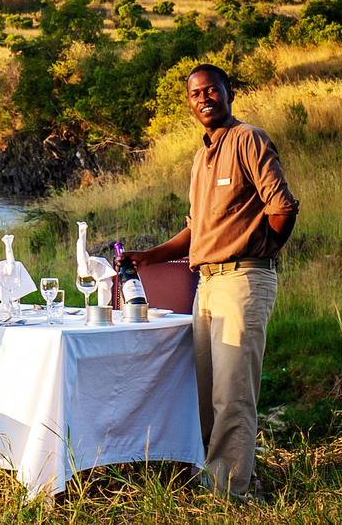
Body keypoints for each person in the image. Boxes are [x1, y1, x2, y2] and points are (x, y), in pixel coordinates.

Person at [119, 63, 299, 500]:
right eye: (195, 93)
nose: (203, 98)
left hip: (243, 281)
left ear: (227, 92)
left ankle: (229, 494)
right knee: (203, 392)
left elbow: (283, 207)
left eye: (210, 90)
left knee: (233, 394)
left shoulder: (248, 140)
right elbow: (197, 229)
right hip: (206, 285)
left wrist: (262, 250)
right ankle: (212, 478)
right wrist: (150, 256)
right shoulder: (202, 156)